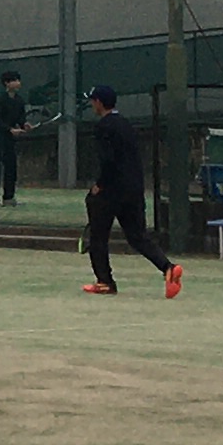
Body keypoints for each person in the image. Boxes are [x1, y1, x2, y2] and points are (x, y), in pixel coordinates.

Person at [82, 83, 181, 299]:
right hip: (133, 189)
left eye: (92, 100)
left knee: (98, 237)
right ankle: (168, 268)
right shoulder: (126, 124)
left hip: (111, 191)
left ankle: (105, 281)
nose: (91, 104)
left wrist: (100, 184)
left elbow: (108, 160)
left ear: (98, 102)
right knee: (137, 237)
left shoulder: (103, 127)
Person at [0, 70, 28, 205]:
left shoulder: (19, 101)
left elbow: (21, 118)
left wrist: (24, 125)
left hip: (10, 140)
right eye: (14, 80)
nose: (18, 83)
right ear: (7, 83)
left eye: (18, 80)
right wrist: (10, 129)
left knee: (11, 167)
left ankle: (9, 197)